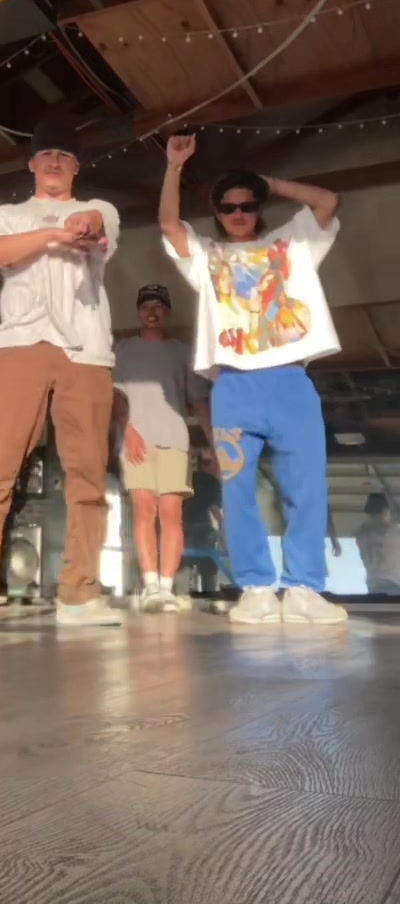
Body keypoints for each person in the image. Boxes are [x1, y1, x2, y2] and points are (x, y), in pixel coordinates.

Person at [0, 115, 121, 626]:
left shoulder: (99, 207)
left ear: (76, 166)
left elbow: (98, 225)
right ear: (32, 163)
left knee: (88, 475)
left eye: (65, 155)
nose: (55, 162)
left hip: (86, 350)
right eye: (46, 154)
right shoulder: (5, 214)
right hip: (19, 345)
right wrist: (54, 234)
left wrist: (81, 226)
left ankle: (80, 593)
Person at [160, 136, 347, 625]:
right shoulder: (206, 256)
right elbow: (169, 225)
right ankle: (257, 588)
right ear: (217, 213)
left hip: (291, 381)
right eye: (228, 207)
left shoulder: (291, 243)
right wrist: (174, 168)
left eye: (247, 204)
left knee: (306, 489)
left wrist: (271, 183)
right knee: (237, 491)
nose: (239, 213)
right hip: (234, 385)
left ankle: (304, 588)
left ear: (259, 207)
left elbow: (327, 201)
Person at [113, 283, 214, 612]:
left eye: (158, 307)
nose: (152, 312)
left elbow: (199, 400)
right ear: (138, 313)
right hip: (136, 439)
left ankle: (167, 588)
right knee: (144, 508)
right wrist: (128, 431)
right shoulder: (124, 349)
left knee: (172, 513)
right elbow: (115, 397)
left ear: (167, 313)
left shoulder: (182, 352)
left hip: (174, 438)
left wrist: (216, 443)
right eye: (146, 307)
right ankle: (151, 586)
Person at [175, 451, 224, 601]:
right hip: (203, 528)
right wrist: (223, 528)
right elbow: (215, 510)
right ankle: (210, 596)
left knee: (181, 565)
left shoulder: (183, 479)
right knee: (208, 565)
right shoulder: (212, 482)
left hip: (181, 526)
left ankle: (179, 596)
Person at [356, 493, 400, 595]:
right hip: (392, 584)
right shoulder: (390, 533)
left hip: (373, 584)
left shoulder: (362, 534)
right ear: (385, 512)